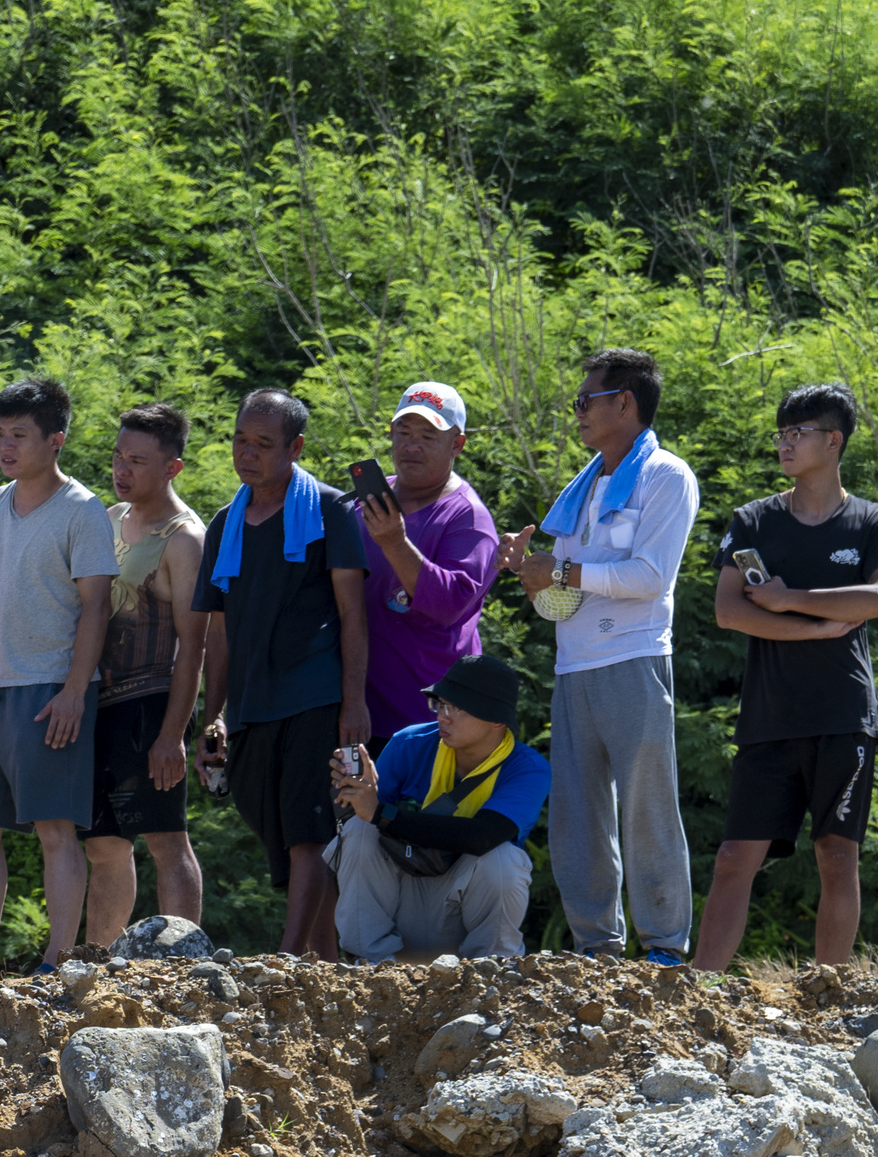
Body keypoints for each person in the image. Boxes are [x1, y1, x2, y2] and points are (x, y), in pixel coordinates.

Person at [700, 383, 878, 968]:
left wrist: (790, 600)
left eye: (798, 433)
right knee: (734, 858)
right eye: (781, 433)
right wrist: (815, 627)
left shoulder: (873, 521)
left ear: (834, 441)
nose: (784, 444)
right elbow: (729, 611)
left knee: (837, 857)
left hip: (844, 716)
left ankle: (826, 991)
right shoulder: (753, 520)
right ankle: (700, 991)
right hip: (769, 716)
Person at [506, 346, 700, 960]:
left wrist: (560, 570)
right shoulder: (583, 486)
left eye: (587, 400)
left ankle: (664, 948)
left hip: (635, 659)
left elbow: (650, 577)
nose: (579, 411)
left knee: (647, 810)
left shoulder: (667, 475)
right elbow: (562, 598)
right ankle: (596, 949)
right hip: (574, 664)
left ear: (625, 403)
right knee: (576, 816)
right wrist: (529, 573)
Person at [0, 375, 115, 980]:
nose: (5, 446)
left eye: (18, 435)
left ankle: (57, 963)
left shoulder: (83, 510)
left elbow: (97, 605)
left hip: (50, 690)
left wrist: (74, 691)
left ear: (55, 440)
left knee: (54, 830)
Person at [190, 388, 372, 957]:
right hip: (251, 703)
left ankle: (288, 960)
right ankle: (326, 964)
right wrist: (213, 715)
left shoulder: (331, 510)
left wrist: (353, 701)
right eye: (240, 440)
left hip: (313, 693)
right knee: (278, 830)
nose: (247, 453)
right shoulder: (225, 524)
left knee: (307, 833)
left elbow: (352, 614)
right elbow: (218, 632)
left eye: (263, 444)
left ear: (295, 448)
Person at [331, 651, 547, 963]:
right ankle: (372, 964)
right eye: (441, 704)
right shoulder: (409, 743)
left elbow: (483, 836)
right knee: (359, 830)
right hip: (401, 908)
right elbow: (360, 823)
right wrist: (349, 795)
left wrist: (382, 813)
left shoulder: (526, 768)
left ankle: (493, 968)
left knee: (504, 858)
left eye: (457, 708)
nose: (443, 716)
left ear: (497, 721)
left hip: (458, 916)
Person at [84, 403, 205, 938]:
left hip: (152, 702)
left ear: (171, 467)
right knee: (103, 845)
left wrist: (173, 735)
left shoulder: (185, 538)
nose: (122, 469)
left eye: (137, 460)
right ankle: (99, 958)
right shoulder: (109, 517)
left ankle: (184, 957)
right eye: (118, 456)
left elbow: (195, 646)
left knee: (166, 838)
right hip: (98, 703)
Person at [349, 381, 499, 734]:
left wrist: (394, 543)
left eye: (428, 436)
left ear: (457, 444)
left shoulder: (467, 517)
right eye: (404, 432)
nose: (411, 446)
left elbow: (448, 605)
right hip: (357, 713)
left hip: (429, 721)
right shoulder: (367, 501)